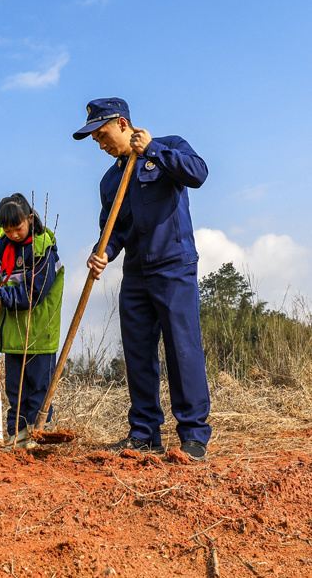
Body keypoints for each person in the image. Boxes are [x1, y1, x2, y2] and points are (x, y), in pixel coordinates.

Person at [73, 97, 211, 462]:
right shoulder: (110, 179)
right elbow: (114, 229)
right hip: (135, 273)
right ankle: (144, 433)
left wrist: (154, 149)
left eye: (102, 135)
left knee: (183, 349)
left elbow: (198, 173)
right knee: (137, 354)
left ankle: (193, 436)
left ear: (122, 123)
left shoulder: (169, 147)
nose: (101, 145)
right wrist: (103, 252)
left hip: (173, 265)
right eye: (96, 141)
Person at [0, 193, 64, 449]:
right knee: (16, 389)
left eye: (19, 228)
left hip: (39, 330)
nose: (14, 234)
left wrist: (4, 296)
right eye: (9, 230)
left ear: (30, 218)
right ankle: (16, 433)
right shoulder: (3, 244)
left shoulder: (43, 248)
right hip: (13, 332)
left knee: (38, 387)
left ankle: (37, 433)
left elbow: (37, 290)